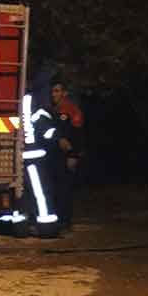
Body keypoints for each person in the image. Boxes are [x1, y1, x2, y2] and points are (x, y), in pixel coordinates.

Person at [49, 77, 85, 229]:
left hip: (66, 156)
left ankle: (65, 221)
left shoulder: (72, 110)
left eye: (57, 91)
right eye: (52, 91)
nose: (53, 94)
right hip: (55, 156)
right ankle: (58, 219)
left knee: (65, 189)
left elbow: (78, 135)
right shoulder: (53, 110)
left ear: (65, 93)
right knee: (56, 189)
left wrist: (73, 155)